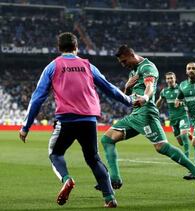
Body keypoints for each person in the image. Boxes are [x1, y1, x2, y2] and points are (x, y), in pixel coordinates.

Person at [18, 32, 133, 208]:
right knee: (93, 158)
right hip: (89, 119)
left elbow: (37, 98)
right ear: (76, 47)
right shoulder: (88, 66)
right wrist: (129, 101)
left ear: (58, 48)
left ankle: (67, 179)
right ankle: (110, 197)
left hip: (66, 120)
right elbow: (109, 88)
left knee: (55, 153)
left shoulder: (52, 66)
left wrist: (26, 126)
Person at [99, 45, 195, 195]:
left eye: (124, 61)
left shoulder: (147, 67)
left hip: (146, 113)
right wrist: (127, 88)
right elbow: (127, 97)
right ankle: (115, 178)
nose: (123, 65)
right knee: (107, 140)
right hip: (135, 114)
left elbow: (149, 87)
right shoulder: (133, 71)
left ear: (131, 55)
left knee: (161, 147)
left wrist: (145, 97)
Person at [156, 72, 192, 158]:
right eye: (168, 78)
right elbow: (159, 102)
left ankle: (186, 157)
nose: (169, 80)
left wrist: (183, 102)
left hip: (183, 115)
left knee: (183, 134)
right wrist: (155, 108)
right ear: (166, 80)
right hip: (173, 118)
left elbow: (189, 99)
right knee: (180, 142)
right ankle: (190, 134)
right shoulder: (164, 91)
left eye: (171, 78)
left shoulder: (181, 88)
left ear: (175, 79)